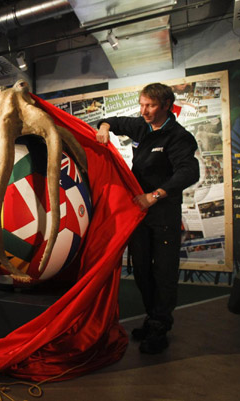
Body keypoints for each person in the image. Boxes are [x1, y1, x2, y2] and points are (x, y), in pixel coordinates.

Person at [96, 82, 199, 354]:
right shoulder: (142, 126)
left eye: (151, 106)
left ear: (166, 105)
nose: (144, 111)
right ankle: (152, 317)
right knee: (141, 270)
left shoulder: (178, 137)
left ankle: (160, 327)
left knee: (163, 272)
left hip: (163, 211)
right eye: (142, 105)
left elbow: (189, 172)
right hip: (139, 214)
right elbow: (112, 120)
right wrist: (105, 128)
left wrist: (154, 195)